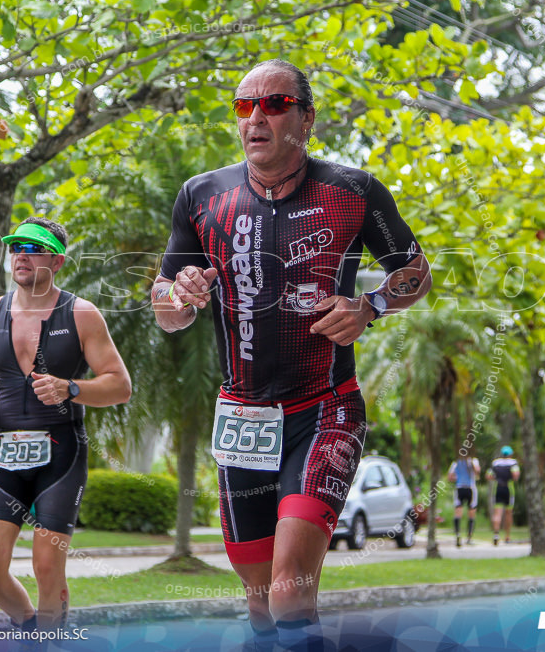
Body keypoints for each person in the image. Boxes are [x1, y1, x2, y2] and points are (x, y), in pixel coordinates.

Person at [152, 59, 431, 647]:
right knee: (258, 602)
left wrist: (372, 305)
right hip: (242, 417)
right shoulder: (200, 196)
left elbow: (414, 273)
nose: (256, 117)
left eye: (274, 104)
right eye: (243, 106)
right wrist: (181, 295)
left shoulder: (353, 191)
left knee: (289, 590)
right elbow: (166, 309)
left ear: (306, 119)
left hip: (325, 408)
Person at [0, 217, 131, 634]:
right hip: (5, 451)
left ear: (57, 261)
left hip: (61, 454)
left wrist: (71, 388)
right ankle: (33, 630)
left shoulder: (82, 314)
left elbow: (120, 386)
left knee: (47, 565)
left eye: (33, 249)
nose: (21, 255)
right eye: (16, 247)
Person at [487, 446, 520, 546]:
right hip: (508, 489)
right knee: (508, 513)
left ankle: (496, 534)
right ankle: (507, 536)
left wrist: (496, 478)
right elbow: (516, 476)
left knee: (497, 513)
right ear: (510, 454)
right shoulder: (513, 463)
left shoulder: (496, 463)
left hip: (498, 488)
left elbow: (488, 476)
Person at [447, 456, 480, 547]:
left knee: (458, 512)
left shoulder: (456, 462)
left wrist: (457, 477)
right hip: (470, 488)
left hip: (459, 488)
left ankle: (458, 535)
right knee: (471, 512)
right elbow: (477, 472)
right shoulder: (473, 460)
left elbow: (450, 477)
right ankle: (469, 537)